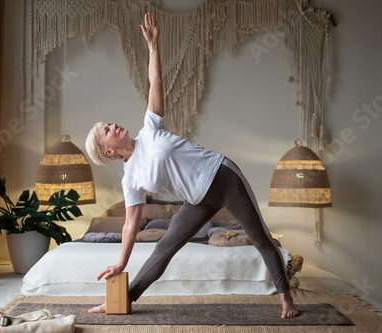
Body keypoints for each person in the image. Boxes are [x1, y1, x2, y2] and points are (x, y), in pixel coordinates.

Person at [85, 12, 299, 319]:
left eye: (110, 123)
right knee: (164, 248)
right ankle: (124, 300)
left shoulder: (150, 128)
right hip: (198, 200)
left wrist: (153, 47)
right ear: (108, 152)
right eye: (108, 129)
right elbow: (131, 223)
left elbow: (155, 81)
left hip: (223, 177)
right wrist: (121, 263)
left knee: (259, 237)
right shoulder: (130, 177)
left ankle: (286, 301)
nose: (114, 125)